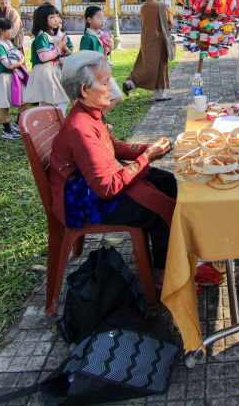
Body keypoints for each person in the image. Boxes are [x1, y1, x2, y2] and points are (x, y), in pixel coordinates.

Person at [51, 50, 177, 282]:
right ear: (84, 90)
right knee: (160, 211)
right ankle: (160, 275)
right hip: (85, 200)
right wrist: (145, 159)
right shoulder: (80, 128)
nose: (111, 87)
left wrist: (146, 150)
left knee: (166, 181)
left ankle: (164, 251)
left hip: (97, 182)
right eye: (106, 82)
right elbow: (106, 188)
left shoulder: (88, 113)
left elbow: (112, 146)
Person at [124, 0, 174, 101]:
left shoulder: (144, 7)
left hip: (146, 40)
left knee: (146, 64)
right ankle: (132, 83)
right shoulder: (161, 6)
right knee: (160, 66)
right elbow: (169, 21)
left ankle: (134, 83)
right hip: (159, 41)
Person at [24, 4, 72, 113]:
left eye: (57, 16)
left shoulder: (46, 35)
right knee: (63, 99)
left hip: (47, 70)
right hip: (44, 70)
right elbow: (44, 57)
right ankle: (56, 122)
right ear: (42, 20)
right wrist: (59, 49)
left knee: (45, 103)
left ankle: (44, 126)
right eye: (51, 17)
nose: (56, 20)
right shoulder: (42, 37)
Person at [0, 17, 29, 140]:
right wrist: (21, 61)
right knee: (4, 105)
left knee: (25, 99)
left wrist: (20, 60)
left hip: (14, 77)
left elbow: (18, 55)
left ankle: (18, 124)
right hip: (3, 78)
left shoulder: (8, 43)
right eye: (9, 29)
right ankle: (7, 130)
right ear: (1, 30)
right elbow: (8, 65)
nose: (12, 31)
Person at [79, 5, 123, 113]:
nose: (103, 21)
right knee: (99, 102)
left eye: (104, 18)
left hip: (103, 73)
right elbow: (82, 58)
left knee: (116, 97)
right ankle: (98, 121)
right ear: (89, 19)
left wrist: (109, 47)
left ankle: (99, 120)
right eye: (99, 18)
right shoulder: (88, 38)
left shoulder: (100, 35)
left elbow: (104, 54)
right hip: (95, 75)